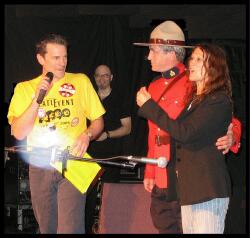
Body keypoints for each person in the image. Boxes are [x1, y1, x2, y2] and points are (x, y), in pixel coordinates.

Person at [133, 20, 241, 234]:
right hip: (162, 174)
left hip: (186, 175)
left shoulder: (194, 83)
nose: (148, 56)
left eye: (153, 51)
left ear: (171, 53)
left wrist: (232, 135)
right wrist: (151, 170)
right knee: (163, 226)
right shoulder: (154, 86)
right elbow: (155, 133)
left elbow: (228, 119)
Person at [7, 33, 105, 234]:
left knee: (70, 228)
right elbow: (18, 131)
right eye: (56, 58)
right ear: (40, 59)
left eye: (65, 57)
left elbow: (98, 121)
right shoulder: (25, 89)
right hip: (40, 164)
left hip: (72, 162)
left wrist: (87, 134)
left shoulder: (80, 81)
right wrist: (37, 99)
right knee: (47, 228)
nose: (63, 63)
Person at [85, 64, 131, 233]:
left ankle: (109, 229)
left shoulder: (120, 98)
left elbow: (127, 128)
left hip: (111, 155)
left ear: (111, 77)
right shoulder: (89, 97)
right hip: (89, 155)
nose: (101, 79)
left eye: (105, 76)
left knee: (110, 196)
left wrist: (108, 135)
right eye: (98, 76)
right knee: (86, 197)